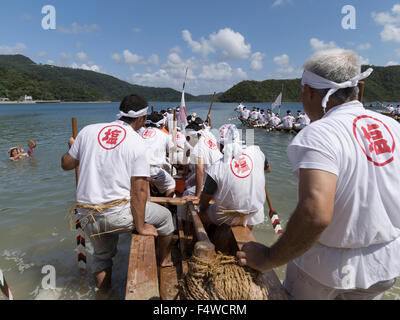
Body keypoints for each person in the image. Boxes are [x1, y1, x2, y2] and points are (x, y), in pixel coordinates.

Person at [237, 49, 400, 300]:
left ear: (310, 92)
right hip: (384, 266)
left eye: (302, 92)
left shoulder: (319, 133)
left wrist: (269, 258)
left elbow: (315, 215)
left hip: (325, 271)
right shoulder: (393, 126)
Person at [61, 94, 175, 293]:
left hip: (87, 216)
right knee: (165, 218)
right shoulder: (138, 143)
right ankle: (166, 260)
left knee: (102, 256)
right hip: (117, 215)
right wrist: (140, 226)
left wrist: (73, 147)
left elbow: (66, 164)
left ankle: (104, 295)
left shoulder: (88, 131)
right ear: (141, 118)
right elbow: (139, 190)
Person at [199, 124, 270, 228]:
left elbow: (204, 203)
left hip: (228, 217)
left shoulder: (215, 168)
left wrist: (202, 208)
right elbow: (268, 169)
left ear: (221, 146)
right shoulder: (256, 152)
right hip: (255, 215)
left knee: (199, 213)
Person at [141, 113, 176, 197]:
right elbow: (173, 150)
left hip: (136, 169)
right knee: (171, 184)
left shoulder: (140, 132)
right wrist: (173, 135)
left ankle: (149, 197)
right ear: (161, 125)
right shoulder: (164, 135)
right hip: (153, 170)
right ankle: (168, 207)